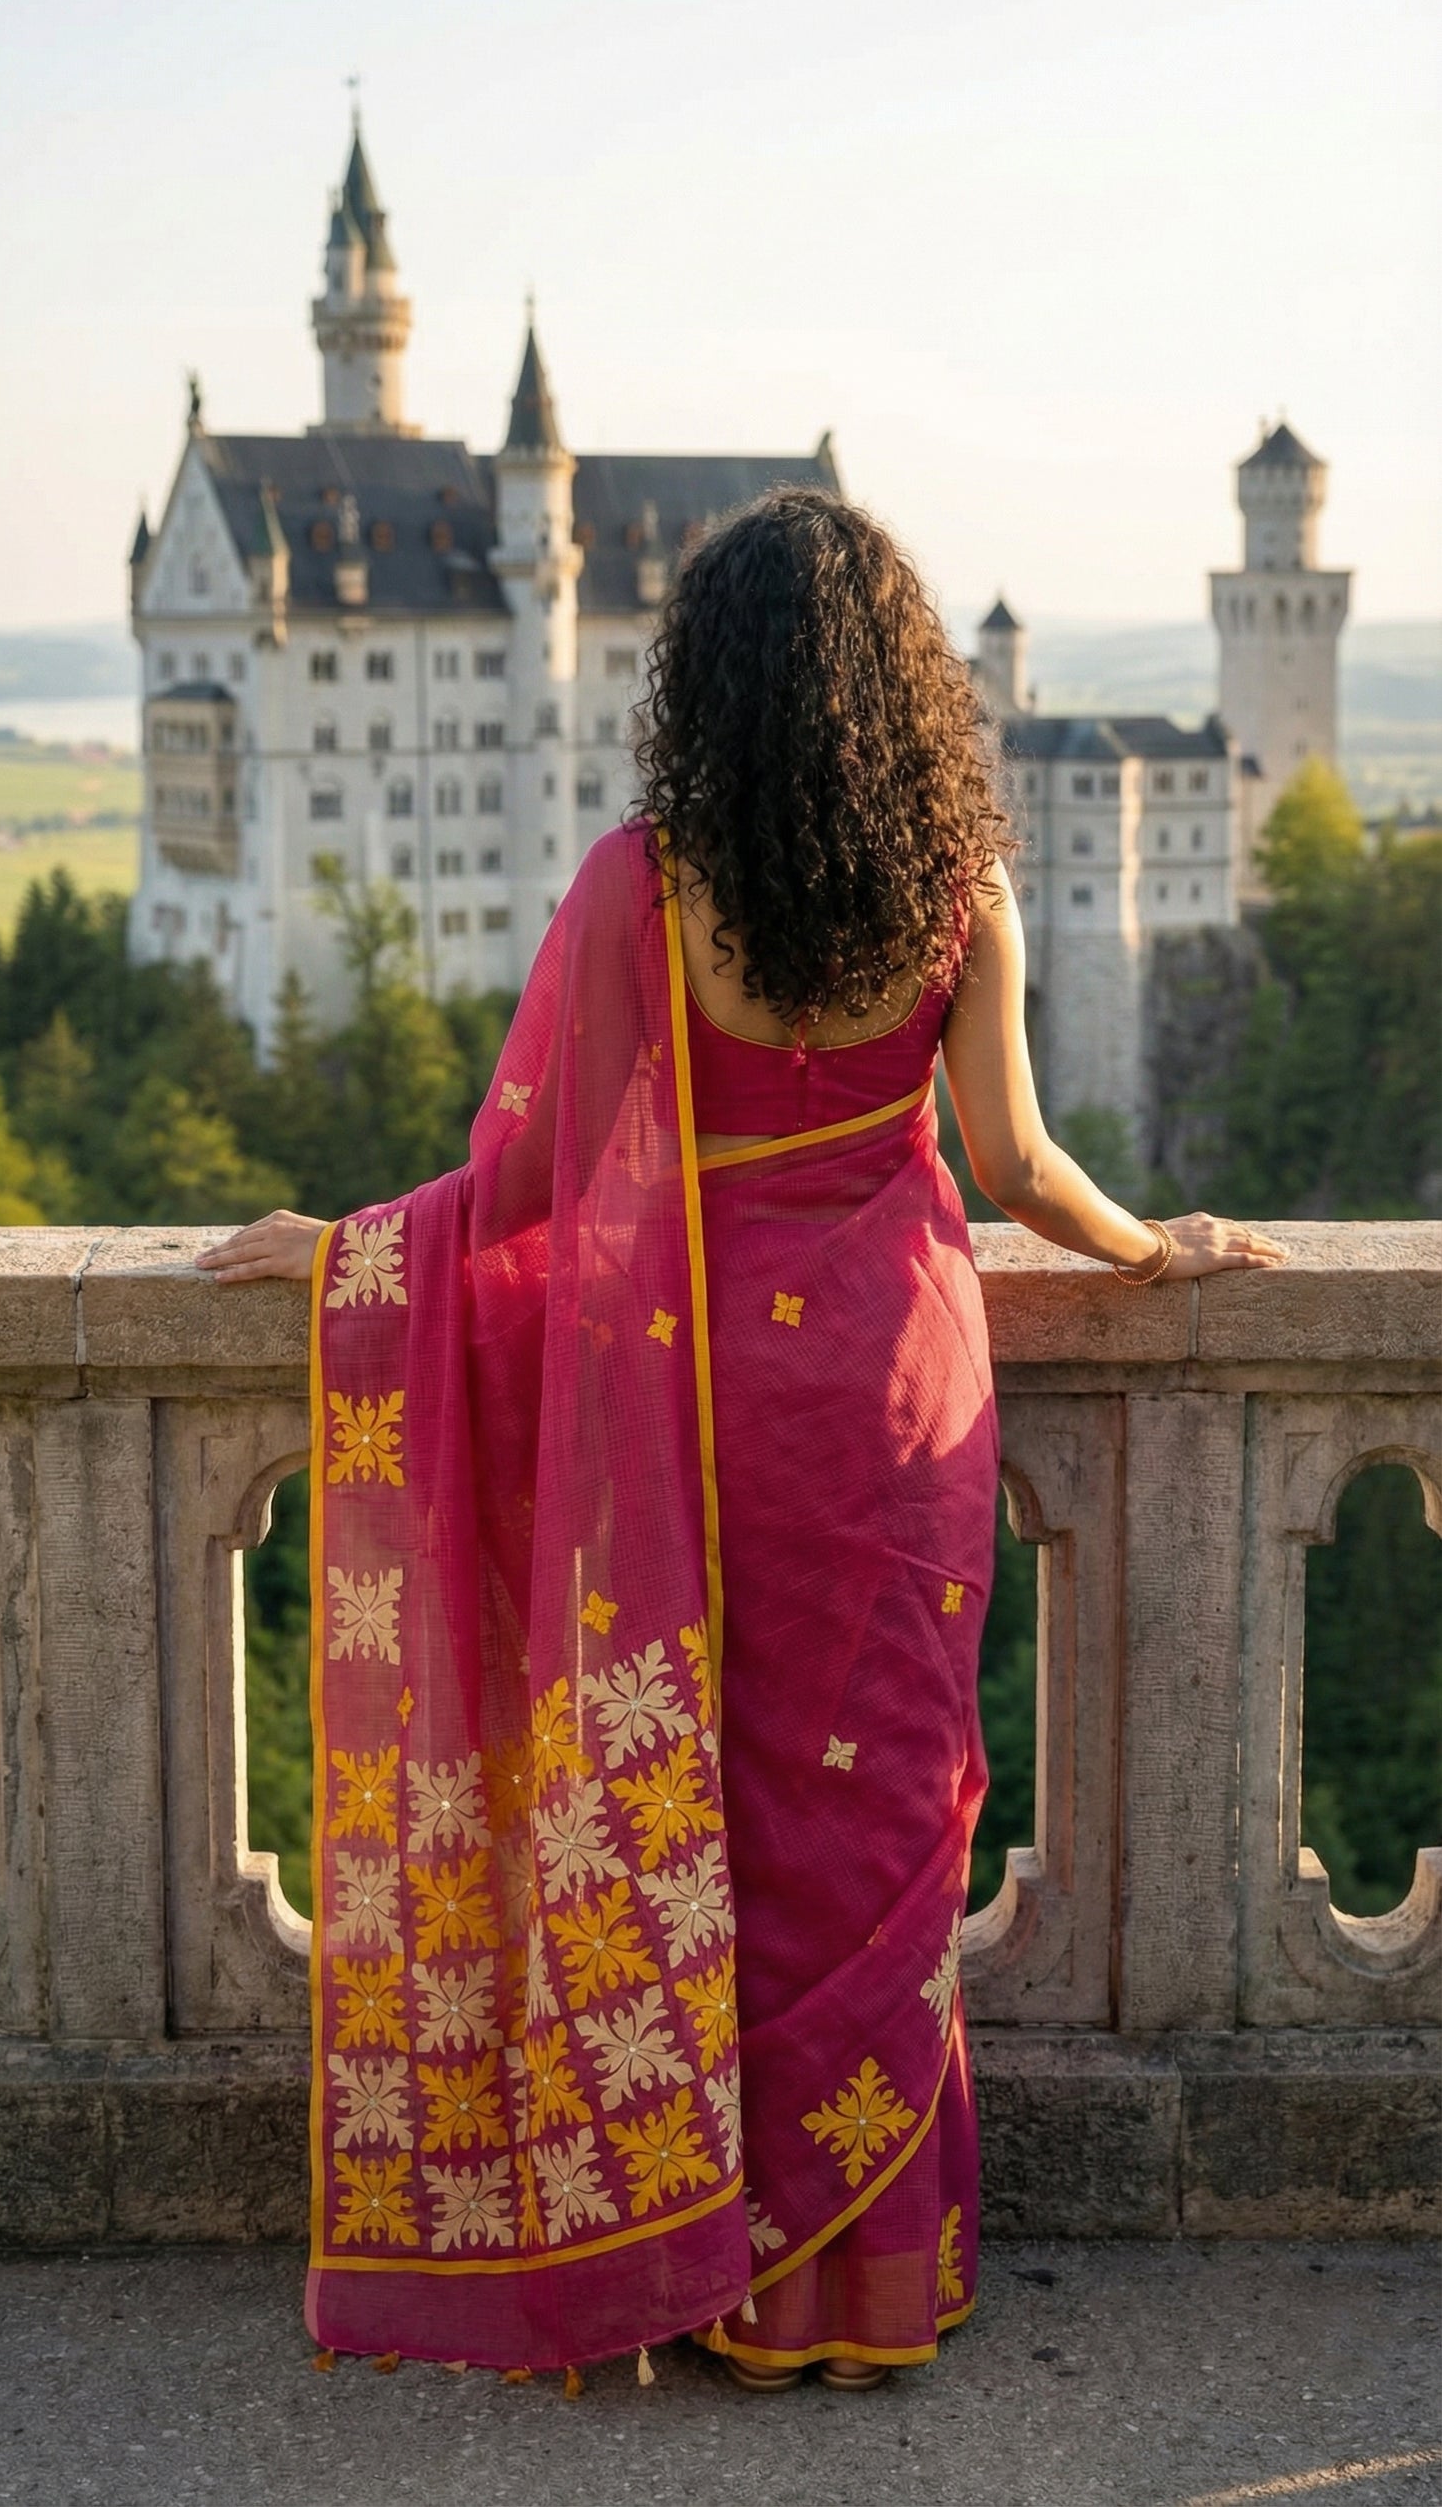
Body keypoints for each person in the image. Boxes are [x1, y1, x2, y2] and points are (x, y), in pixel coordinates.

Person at [198, 489, 1282, 2394]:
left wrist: (346, 1252)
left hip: (697, 1425)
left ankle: (703, 2262)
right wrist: (1157, 1242)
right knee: (873, 1824)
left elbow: (518, 1176)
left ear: (707, 682)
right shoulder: (961, 880)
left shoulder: (648, 884)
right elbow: (1019, 1165)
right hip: (898, 1400)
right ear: (902, 683)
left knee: (726, 1822)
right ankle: (862, 2292)